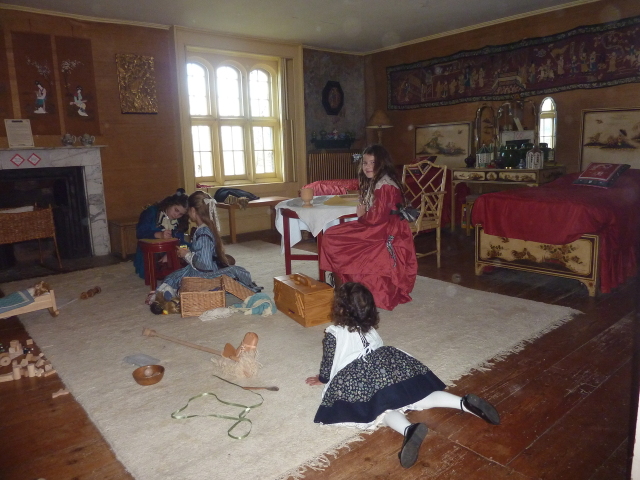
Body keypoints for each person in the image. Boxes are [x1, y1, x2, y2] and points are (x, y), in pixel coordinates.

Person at [306, 282, 500, 469]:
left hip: (358, 376)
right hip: (388, 363)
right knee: (420, 396)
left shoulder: (334, 333)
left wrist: (322, 379)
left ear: (339, 309)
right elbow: (377, 345)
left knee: (382, 412)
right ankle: (463, 402)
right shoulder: (368, 327)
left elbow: (328, 362)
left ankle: (409, 430)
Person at [318, 144, 417, 310]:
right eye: (365, 163)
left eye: (373, 162)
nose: (368, 166)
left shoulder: (384, 185)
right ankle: (344, 284)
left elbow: (376, 218)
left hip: (384, 230)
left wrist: (362, 215)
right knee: (333, 233)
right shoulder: (380, 181)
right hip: (382, 226)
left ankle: (344, 286)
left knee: (332, 236)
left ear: (382, 163)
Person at [152, 190, 260, 301]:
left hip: (204, 274)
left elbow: (204, 264)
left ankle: (171, 293)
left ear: (193, 211)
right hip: (202, 269)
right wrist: (189, 252)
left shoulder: (203, 233)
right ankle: (167, 292)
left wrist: (187, 255)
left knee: (178, 279)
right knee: (174, 276)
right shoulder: (205, 228)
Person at [134, 189, 189, 280]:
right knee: (158, 272)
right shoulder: (151, 212)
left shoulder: (179, 221)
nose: (176, 215)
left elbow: (181, 241)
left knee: (190, 248)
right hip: (151, 253)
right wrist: (158, 234)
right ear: (170, 203)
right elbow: (140, 233)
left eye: (180, 214)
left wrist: (173, 254)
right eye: (176, 210)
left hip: (172, 250)